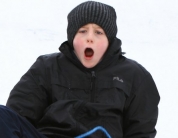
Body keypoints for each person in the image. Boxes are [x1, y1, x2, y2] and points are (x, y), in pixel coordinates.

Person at [0, 1, 160, 138]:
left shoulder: (135, 75)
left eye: (99, 32)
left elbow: (141, 132)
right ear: (72, 37)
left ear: (109, 40)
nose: (89, 37)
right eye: (82, 31)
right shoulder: (47, 67)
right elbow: (18, 116)